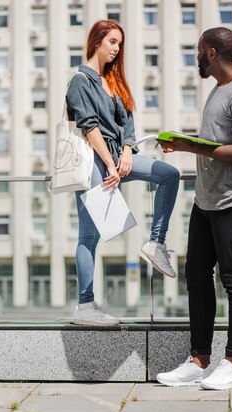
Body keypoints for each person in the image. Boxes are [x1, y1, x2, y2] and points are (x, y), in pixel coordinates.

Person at [156, 27, 232, 390]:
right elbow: (219, 141)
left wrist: (191, 147)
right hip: (207, 200)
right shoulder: (219, 90)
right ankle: (199, 360)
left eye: (200, 50)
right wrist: (187, 142)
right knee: (196, 276)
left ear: (213, 53)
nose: (197, 56)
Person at [66, 20, 180, 326]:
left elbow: (128, 125)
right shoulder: (80, 81)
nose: (116, 48)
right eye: (112, 42)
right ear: (96, 41)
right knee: (89, 236)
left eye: (119, 44)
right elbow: (89, 127)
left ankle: (156, 243)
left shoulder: (115, 82)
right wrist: (110, 164)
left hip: (120, 159)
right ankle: (85, 306)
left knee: (169, 175)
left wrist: (127, 152)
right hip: (94, 163)